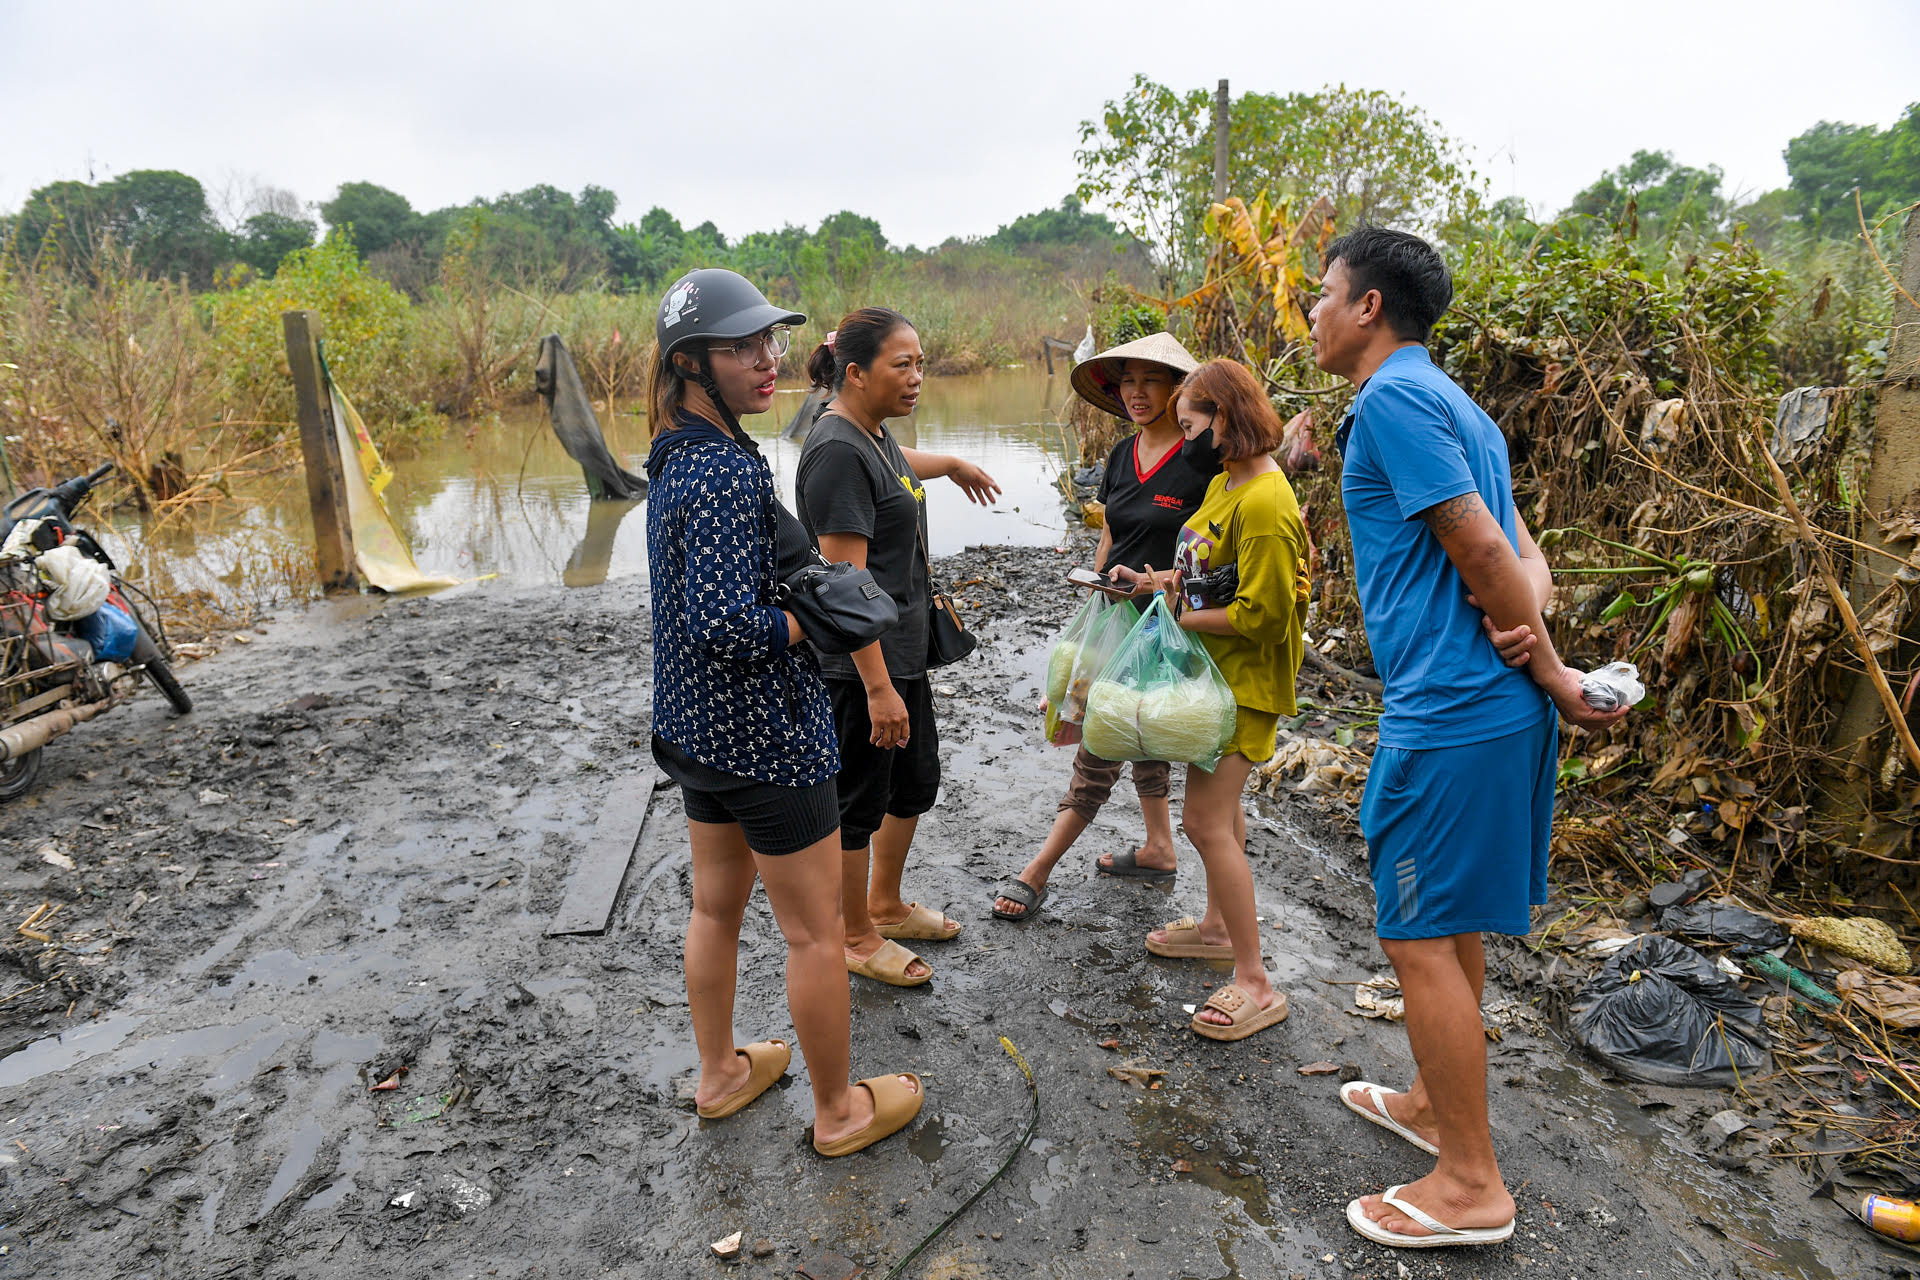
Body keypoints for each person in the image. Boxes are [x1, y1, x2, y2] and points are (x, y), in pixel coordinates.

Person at [1308, 228, 1628, 1248]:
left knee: (1410, 932)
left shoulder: (1395, 401)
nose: (1311, 311)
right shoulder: (1460, 406)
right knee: (1448, 926)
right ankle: (1435, 1107)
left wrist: (1536, 646)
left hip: (1449, 715)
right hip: (1488, 708)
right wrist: (1546, 657)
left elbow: (1490, 548)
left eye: (1324, 293)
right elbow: (1528, 561)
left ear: (1367, 307)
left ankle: (1471, 1184)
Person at [644, 269, 921, 1157]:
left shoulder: (675, 452)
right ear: (691, 363)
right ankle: (839, 1111)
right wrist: (817, 614)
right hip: (764, 736)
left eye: (770, 342)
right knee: (814, 934)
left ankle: (721, 1073)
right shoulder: (722, 473)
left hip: (697, 731)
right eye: (741, 347)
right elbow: (728, 626)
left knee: (715, 908)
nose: (767, 360)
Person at [795, 308, 1001, 987]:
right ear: (855, 373)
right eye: (901, 365)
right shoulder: (834, 453)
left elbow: (897, 465)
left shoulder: (870, 435)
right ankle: (854, 933)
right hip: (861, 670)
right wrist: (879, 688)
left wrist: (952, 464)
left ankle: (883, 903)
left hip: (902, 652)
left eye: (921, 363)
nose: (918, 378)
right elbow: (844, 586)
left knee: (911, 786)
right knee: (859, 801)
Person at [1110, 358, 1309, 1043]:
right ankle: (1219, 930)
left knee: (1203, 822)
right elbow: (1213, 577)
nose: (1184, 437)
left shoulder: (1266, 502)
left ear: (1224, 419)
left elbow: (1263, 616)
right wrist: (1157, 582)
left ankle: (1255, 981)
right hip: (1215, 680)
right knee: (1217, 816)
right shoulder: (1230, 482)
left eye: (1191, 424)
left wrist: (1174, 618)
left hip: (1246, 686)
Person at [992, 332, 1204, 922]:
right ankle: (1160, 848)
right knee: (1139, 733)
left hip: (1165, 626)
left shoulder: (1200, 462)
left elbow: (1213, 557)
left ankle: (1038, 868)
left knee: (1100, 744)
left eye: (1150, 381)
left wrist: (1155, 580)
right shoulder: (1118, 456)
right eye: (1127, 382)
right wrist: (1091, 594)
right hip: (1113, 619)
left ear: (1176, 388)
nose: (1136, 393)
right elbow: (1110, 535)